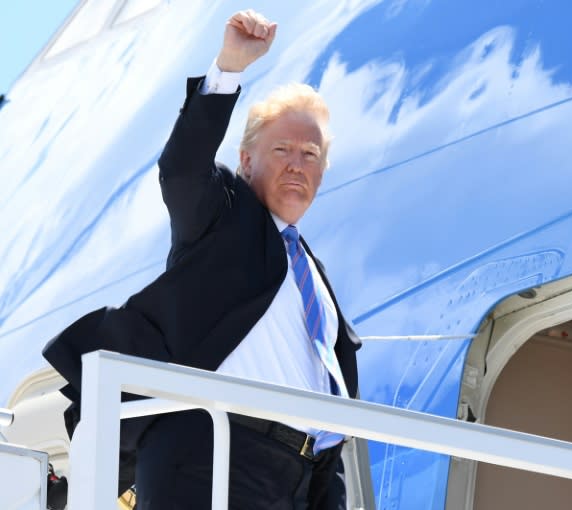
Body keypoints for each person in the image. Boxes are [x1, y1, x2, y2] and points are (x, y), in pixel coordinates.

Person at [42, 9, 361, 510]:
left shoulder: (316, 285)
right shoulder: (224, 216)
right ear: (247, 160)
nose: (299, 164)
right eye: (283, 149)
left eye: (311, 154)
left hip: (298, 479)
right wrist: (228, 69)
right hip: (211, 457)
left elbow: (329, 410)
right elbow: (182, 169)